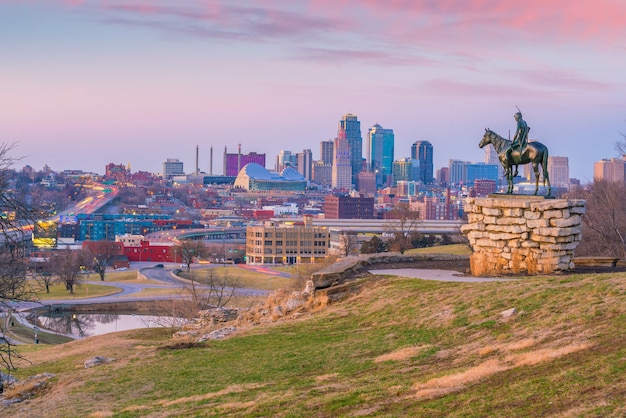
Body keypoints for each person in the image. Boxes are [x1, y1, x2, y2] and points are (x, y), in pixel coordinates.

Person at [507, 111, 530, 177]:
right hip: (524, 141)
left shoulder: (519, 123)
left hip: (519, 141)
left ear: (517, 117)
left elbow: (516, 133)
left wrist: (513, 141)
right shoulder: (525, 122)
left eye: (515, 117)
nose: (515, 119)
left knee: (508, 151)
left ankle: (509, 168)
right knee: (515, 153)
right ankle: (516, 170)